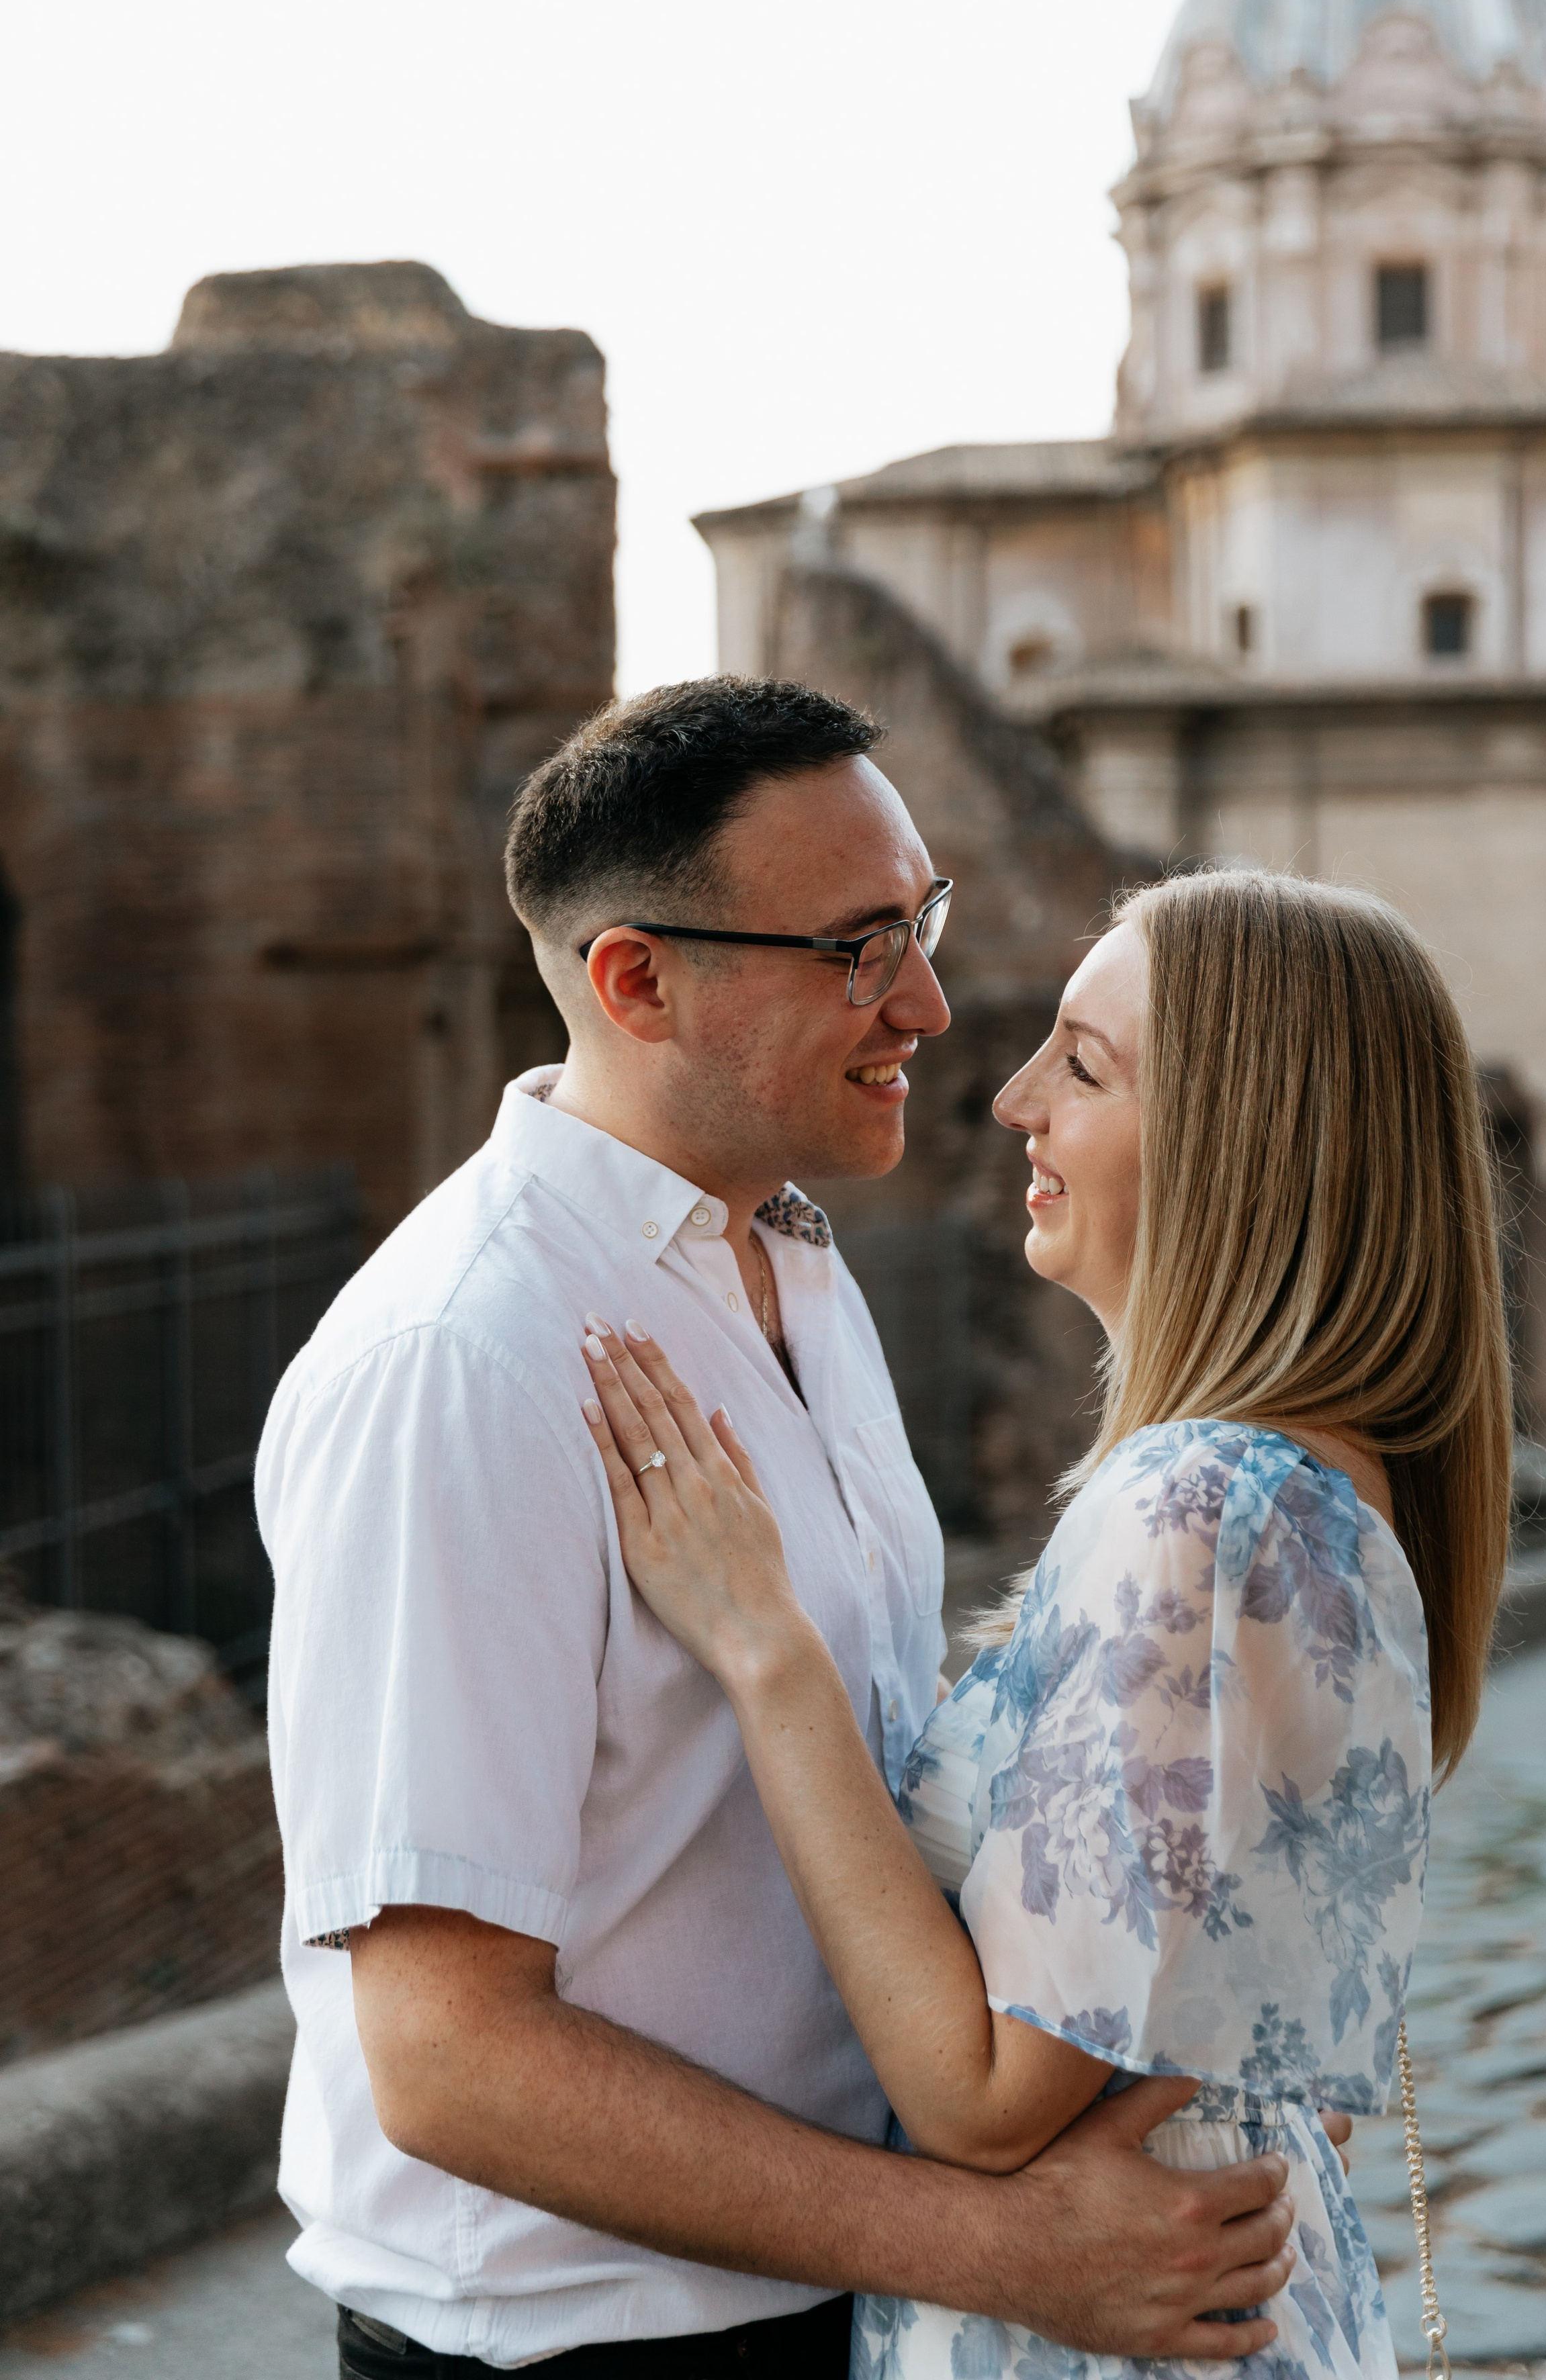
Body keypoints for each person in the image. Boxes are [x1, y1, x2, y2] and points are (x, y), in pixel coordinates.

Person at [257, 682, 1311, 2380]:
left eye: (922, 919)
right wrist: (1003, 2249)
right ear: (636, 980)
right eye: (856, 947)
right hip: (588, 2346)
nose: (930, 1002)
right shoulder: (463, 1364)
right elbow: (449, 2059)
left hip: (840, 2296)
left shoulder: (798, 1263)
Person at [576, 867, 1514, 2380]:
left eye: (1079, 1066)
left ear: (1235, 1146)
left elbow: (979, 2100)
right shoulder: (1319, 1489)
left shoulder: (1197, 1510)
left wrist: (765, 1649)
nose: (1010, 1099)